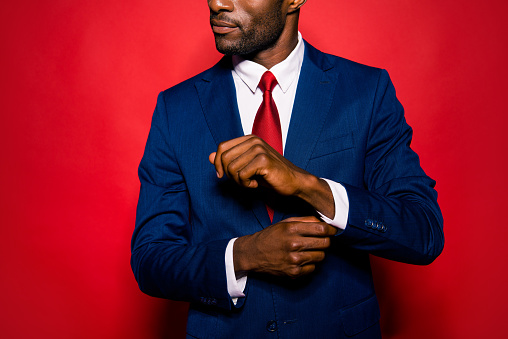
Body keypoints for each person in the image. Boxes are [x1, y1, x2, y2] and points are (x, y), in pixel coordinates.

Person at [131, 0, 444, 337]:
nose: (217, 3)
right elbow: (150, 260)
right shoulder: (176, 108)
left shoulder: (366, 92)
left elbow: (422, 232)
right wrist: (244, 255)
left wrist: (307, 186)